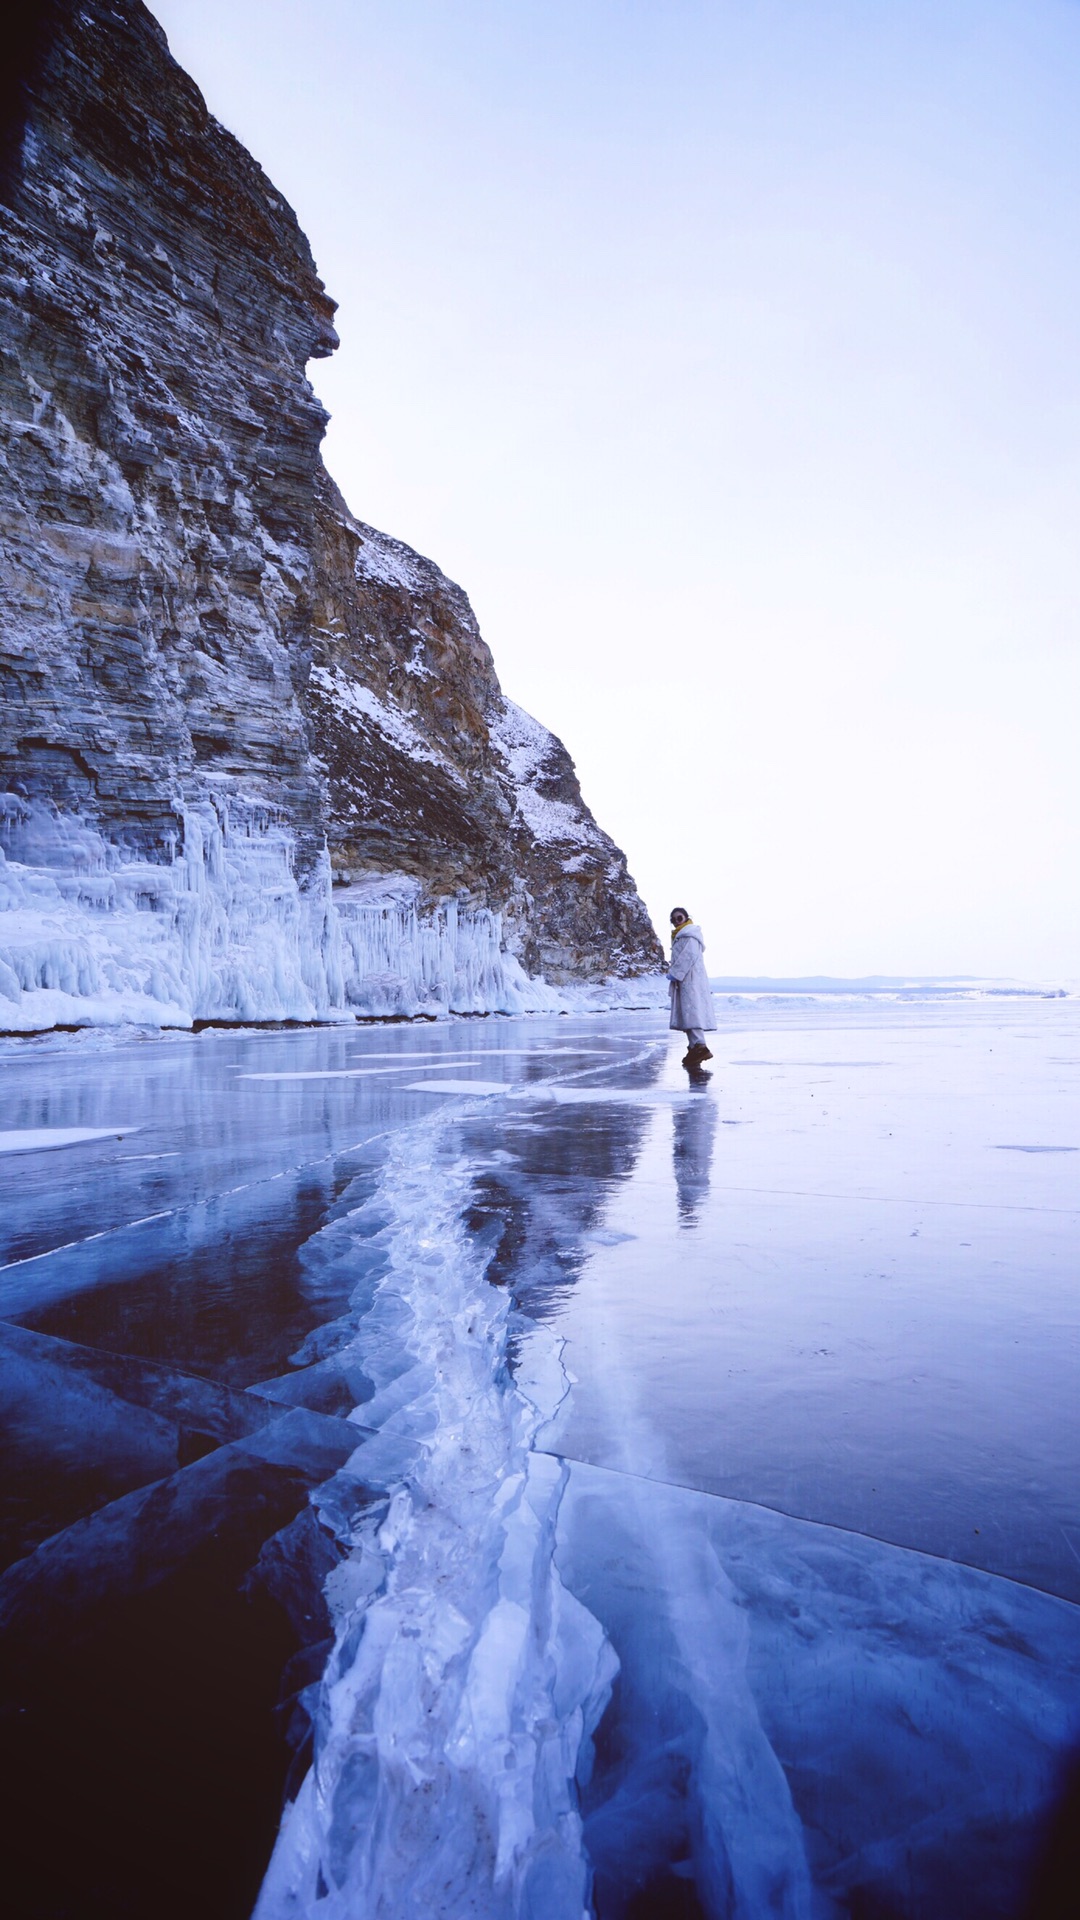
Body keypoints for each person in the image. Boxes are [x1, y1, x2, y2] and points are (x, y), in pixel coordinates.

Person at [667, 907, 716, 1064]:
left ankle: (700, 1046)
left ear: (686, 917)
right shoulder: (680, 936)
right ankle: (694, 1046)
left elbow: (688, 956)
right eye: (673, 920)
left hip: (691, 980)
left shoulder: (691, 935)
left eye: (679, 918)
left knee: (692, 1011)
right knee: (687, 1012)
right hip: (685, 979)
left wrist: (675, 972)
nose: (676, 921)